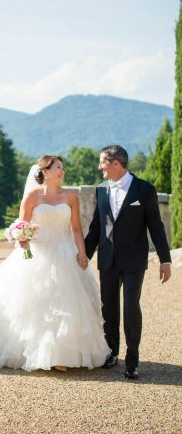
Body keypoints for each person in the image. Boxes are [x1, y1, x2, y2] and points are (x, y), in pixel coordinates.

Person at [0, 155, 110, 371]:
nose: (62, 171)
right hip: (37, 255)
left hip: (65, 253)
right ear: (45, 171)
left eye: (63, 167)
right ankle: (37, 353)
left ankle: (61, 355)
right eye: (58, 167)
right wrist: (21, 237)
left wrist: (82, 252)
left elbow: (76, 229)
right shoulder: (31, 197)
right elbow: (22, 226)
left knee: (65, 304)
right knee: (37, 305)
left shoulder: (71, 196)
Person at [85, 145, 171, 380]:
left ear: (115, 163)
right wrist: (85, 255)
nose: (99, 166)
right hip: (107, 258)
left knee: (131, 307)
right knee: (108, 307)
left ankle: (132, 361)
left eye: (102, 162)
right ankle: (111, 352)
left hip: (134, 259)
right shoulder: (101, 190)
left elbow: (156, 226)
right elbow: (96, 228)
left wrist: (165, 260)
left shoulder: (144, 189)